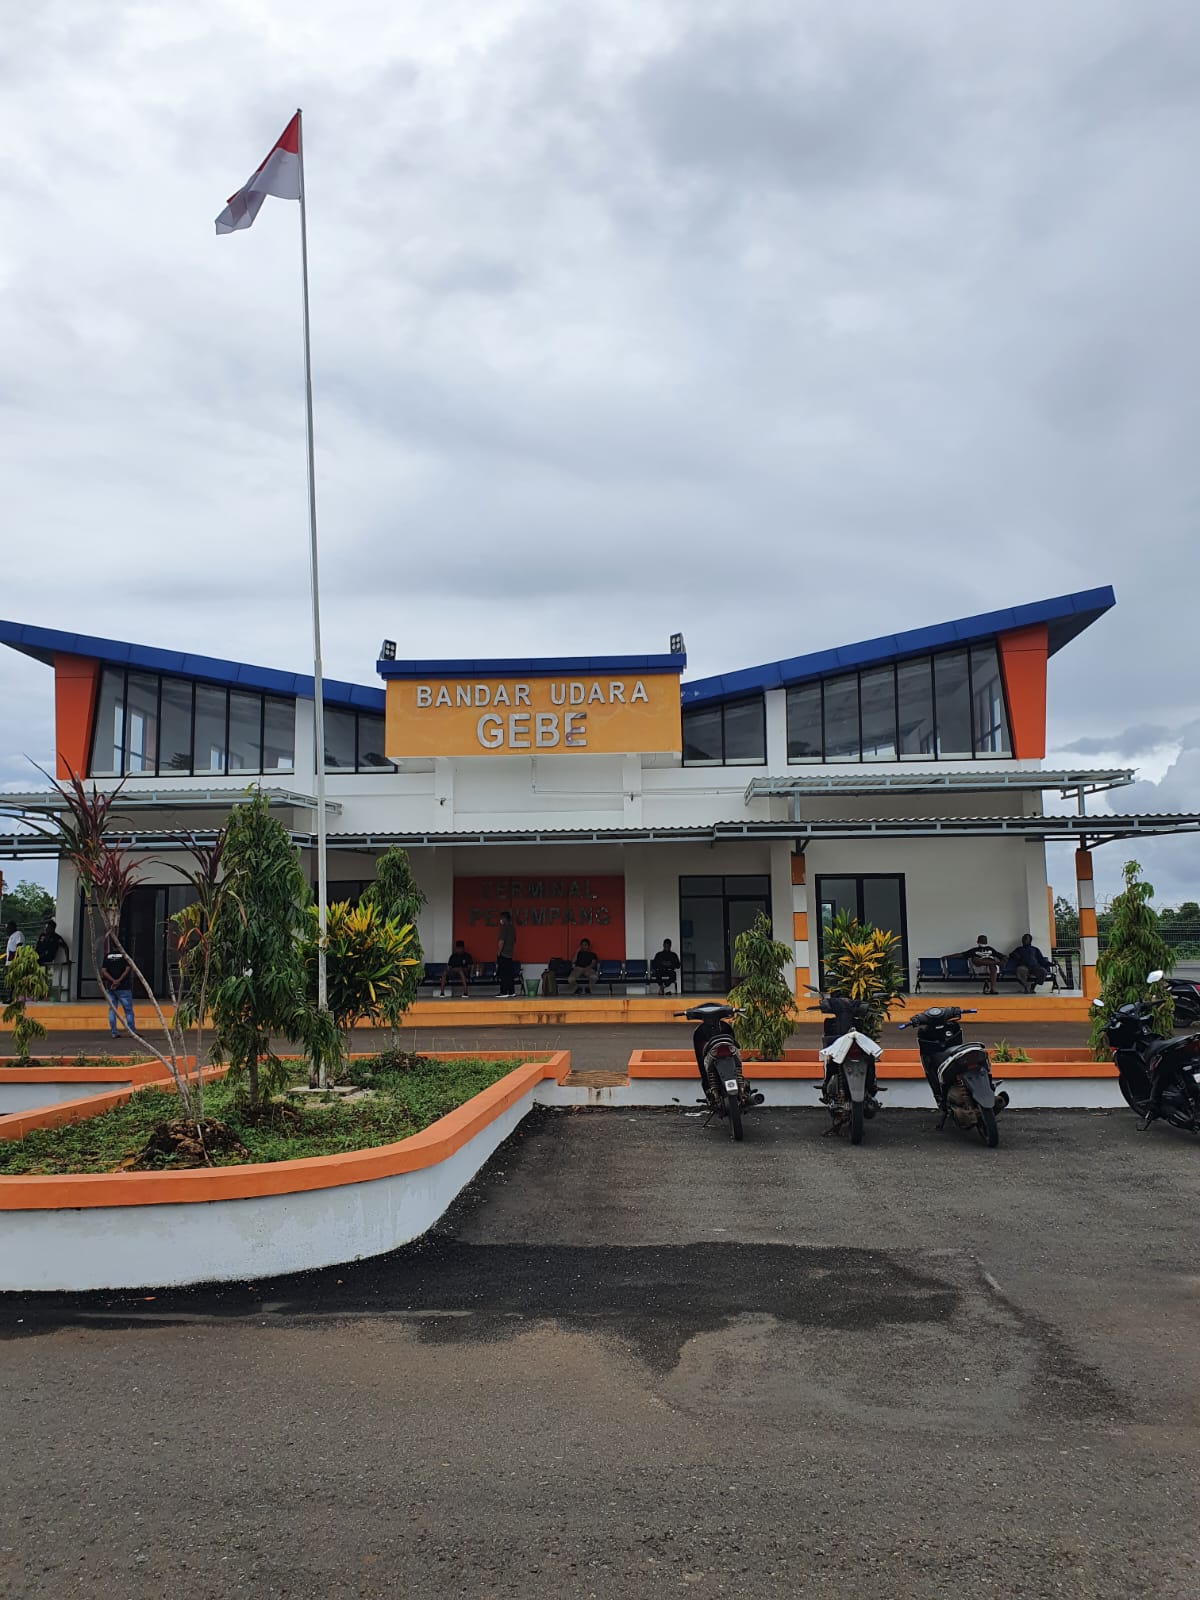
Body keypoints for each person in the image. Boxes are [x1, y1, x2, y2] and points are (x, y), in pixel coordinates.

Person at [100, 944, 136, 1038]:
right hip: (123, 987)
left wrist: (112, 981)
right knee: (128, 1011)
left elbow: (103, 971)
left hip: (111, 987)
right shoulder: (124, 956)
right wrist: (119, 980)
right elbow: (127, 970)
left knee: (112, 1010)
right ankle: (131, 1032)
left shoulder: (107, 956)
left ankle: (114, 1032)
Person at [496, 911, 518, 998]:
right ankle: (511, 991)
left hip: (504, 954)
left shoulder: (504, 928)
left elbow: (501, 941)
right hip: (510, 954)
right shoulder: (512, 928)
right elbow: (514, 940)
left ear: (504, 919)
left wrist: (499, 952)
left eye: (501, 918)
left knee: (503, 974)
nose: (500, 920)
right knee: (509, 974)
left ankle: (503, 992)